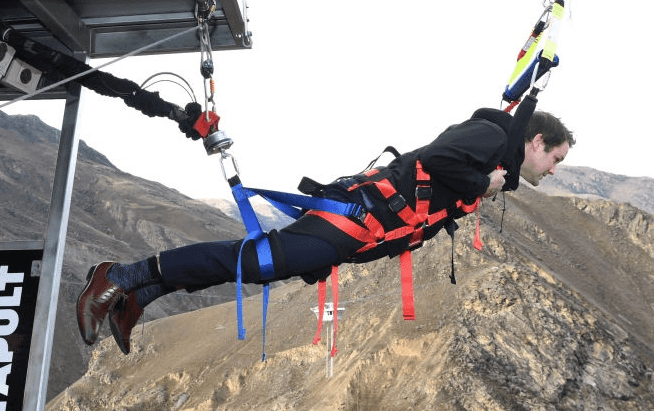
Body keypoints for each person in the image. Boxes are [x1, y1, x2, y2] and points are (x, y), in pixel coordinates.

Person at [76, 102, 575, 354]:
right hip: (356, 219)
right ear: (536, 141)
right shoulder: (489, 136)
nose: (553, 170)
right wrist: (483, 180)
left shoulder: (499, 159)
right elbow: (439, 158)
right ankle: (119, 274)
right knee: (256, 260)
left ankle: (138, 292)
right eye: (554, 158)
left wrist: (490, 181)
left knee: (259, 269)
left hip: (362, 235)